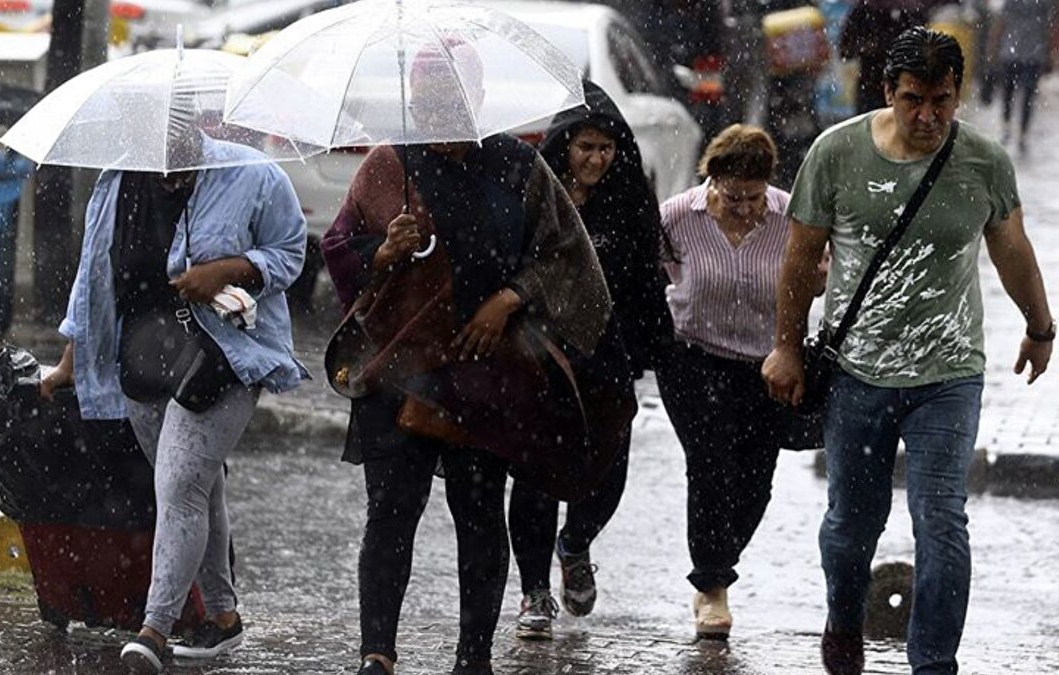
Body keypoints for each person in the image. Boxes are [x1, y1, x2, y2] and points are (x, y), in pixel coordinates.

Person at [761, 27, 1053, 675]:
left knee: (942, 521)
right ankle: (844, 618)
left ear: (958, 94)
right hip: (857, 375)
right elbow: (800, 259)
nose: (927, 116)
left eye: (941, 100)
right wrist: (785, 347)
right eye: (913, 99)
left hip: (949, 375)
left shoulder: (982, 161)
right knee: (850, 527)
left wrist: (1041, 327)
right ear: (888, 91)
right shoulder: (836, 154)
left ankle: (934, 664)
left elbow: (1012, 247)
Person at [321, 42, 615, 675]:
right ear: (413, 100)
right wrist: (384, 252)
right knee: (391, 514)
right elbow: (340, 248)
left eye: (453, 100)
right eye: (429, 101)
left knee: (479, 515)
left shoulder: (517, 165)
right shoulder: (386, 167)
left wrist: (508, 300)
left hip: (487, 376)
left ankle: (473, 658)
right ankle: (377, 653)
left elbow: (568, 257)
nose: (441, 114)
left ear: (477, 98)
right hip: (398, 371)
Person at [40, 133, 309, 674]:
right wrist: (72, 359)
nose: (167, 159)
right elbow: (94, 278)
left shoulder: (252, 174)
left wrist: (233, 268)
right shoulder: (116, 183)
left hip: (226, 357)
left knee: (180, 485)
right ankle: (223, 619)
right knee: (199, 488)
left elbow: (291, 253)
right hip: (143, 363)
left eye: (177, 138)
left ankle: (154, 630)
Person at [507, 81, 671, 640]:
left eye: (606, 148)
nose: (597, 159)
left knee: (607, 474)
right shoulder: (535, 197)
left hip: (607, 360)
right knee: (534, 479)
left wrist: (650, 349)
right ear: (564, 147)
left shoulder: (628, 201)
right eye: (585, 147)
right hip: (539, 359)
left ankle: (575, 544)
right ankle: (534, 592)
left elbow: (646, 282)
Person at [654, 124, 800, 641]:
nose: (743, 208)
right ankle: (713, 587)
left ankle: (717, 560)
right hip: (693, 359)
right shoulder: (677, 216)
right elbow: (653, 275)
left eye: (753, 197)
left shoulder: (791, 217)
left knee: (755, 480)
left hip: (766, 363)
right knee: (710, 463)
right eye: (731, 197)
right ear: (711, 180)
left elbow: (816, 273)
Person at [994, 0, 1057, 152]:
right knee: (1026, 94)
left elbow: (1001, 23)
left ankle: (1010, 126)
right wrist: (1049, 52)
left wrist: (994, 47)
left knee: (1011, 91)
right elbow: (1049, 27)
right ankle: (1020, 130)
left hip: (1014, 52)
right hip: (1031, 53)